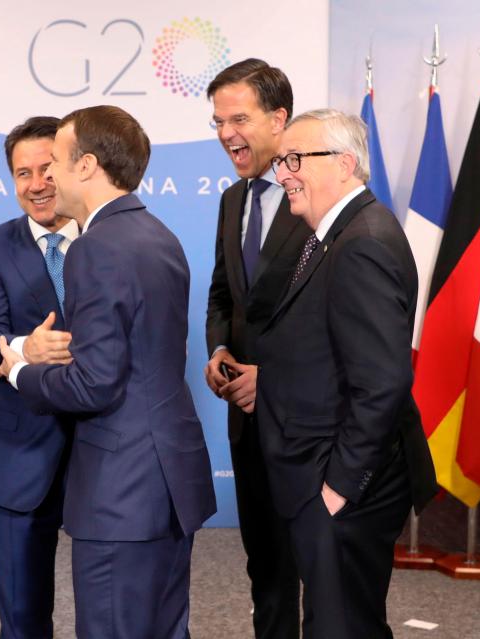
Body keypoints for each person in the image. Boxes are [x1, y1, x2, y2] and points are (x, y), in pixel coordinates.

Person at [0, 105, 217, 639]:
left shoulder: (94, 248)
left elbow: (93, 383)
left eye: (56, 163)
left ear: (87, 165)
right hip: (165, 483)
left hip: (121, 493)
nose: (46, 178)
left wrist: (20, 369)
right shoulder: (157, 233)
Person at [257, 109, 437, 638]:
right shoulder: (337, 234)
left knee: (342, 627)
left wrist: (339, 487)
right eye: (281, 161)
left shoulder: (361, 242)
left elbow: (382, 382)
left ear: (345, 163)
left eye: (295, 159)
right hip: (325, 472)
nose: (283, 172)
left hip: (344, 483)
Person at [203, 59, 310, 639]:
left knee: (319, 570)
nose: (226, 133)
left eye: (238, 118)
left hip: (307, 419)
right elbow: (224, 294)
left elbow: (330, 318)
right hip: (245, 420)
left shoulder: (322, 199)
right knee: (265, 565)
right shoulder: (232, 200)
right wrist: (218, 350)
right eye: (219, 121)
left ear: (278, 119)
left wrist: (271, 374)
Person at [0, 116, 76, 638]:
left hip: (105, 447)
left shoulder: (110, 237)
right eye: (22, 173)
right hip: (17, 450)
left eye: (47, 169)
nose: (36, 185)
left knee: (117, 608)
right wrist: (22, 349)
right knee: (24, 615)